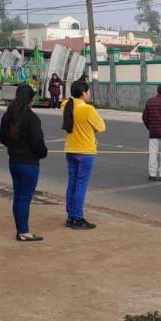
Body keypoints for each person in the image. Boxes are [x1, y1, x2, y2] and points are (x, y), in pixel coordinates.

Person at [0, 84, 48, 241]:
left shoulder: (8, 115)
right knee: (24, 198)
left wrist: (14, 147)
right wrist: (43, 153)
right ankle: (23, 232)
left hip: (14, 161)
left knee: (18, 196)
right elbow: (37, 142)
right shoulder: (31, 118)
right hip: (29, 163)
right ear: (31, 99)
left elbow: (2, 138)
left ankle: (21, 229)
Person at [62, 80, 106, 230]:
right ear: (83, 93)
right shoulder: (88, 109)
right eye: (88, 92)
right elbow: (101, 126)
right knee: (81, 185)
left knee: (72, 184)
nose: (89, 94)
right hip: (85, 150)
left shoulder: (67, 106)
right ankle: (78, 217)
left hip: (71, 149)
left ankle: (70, 216)